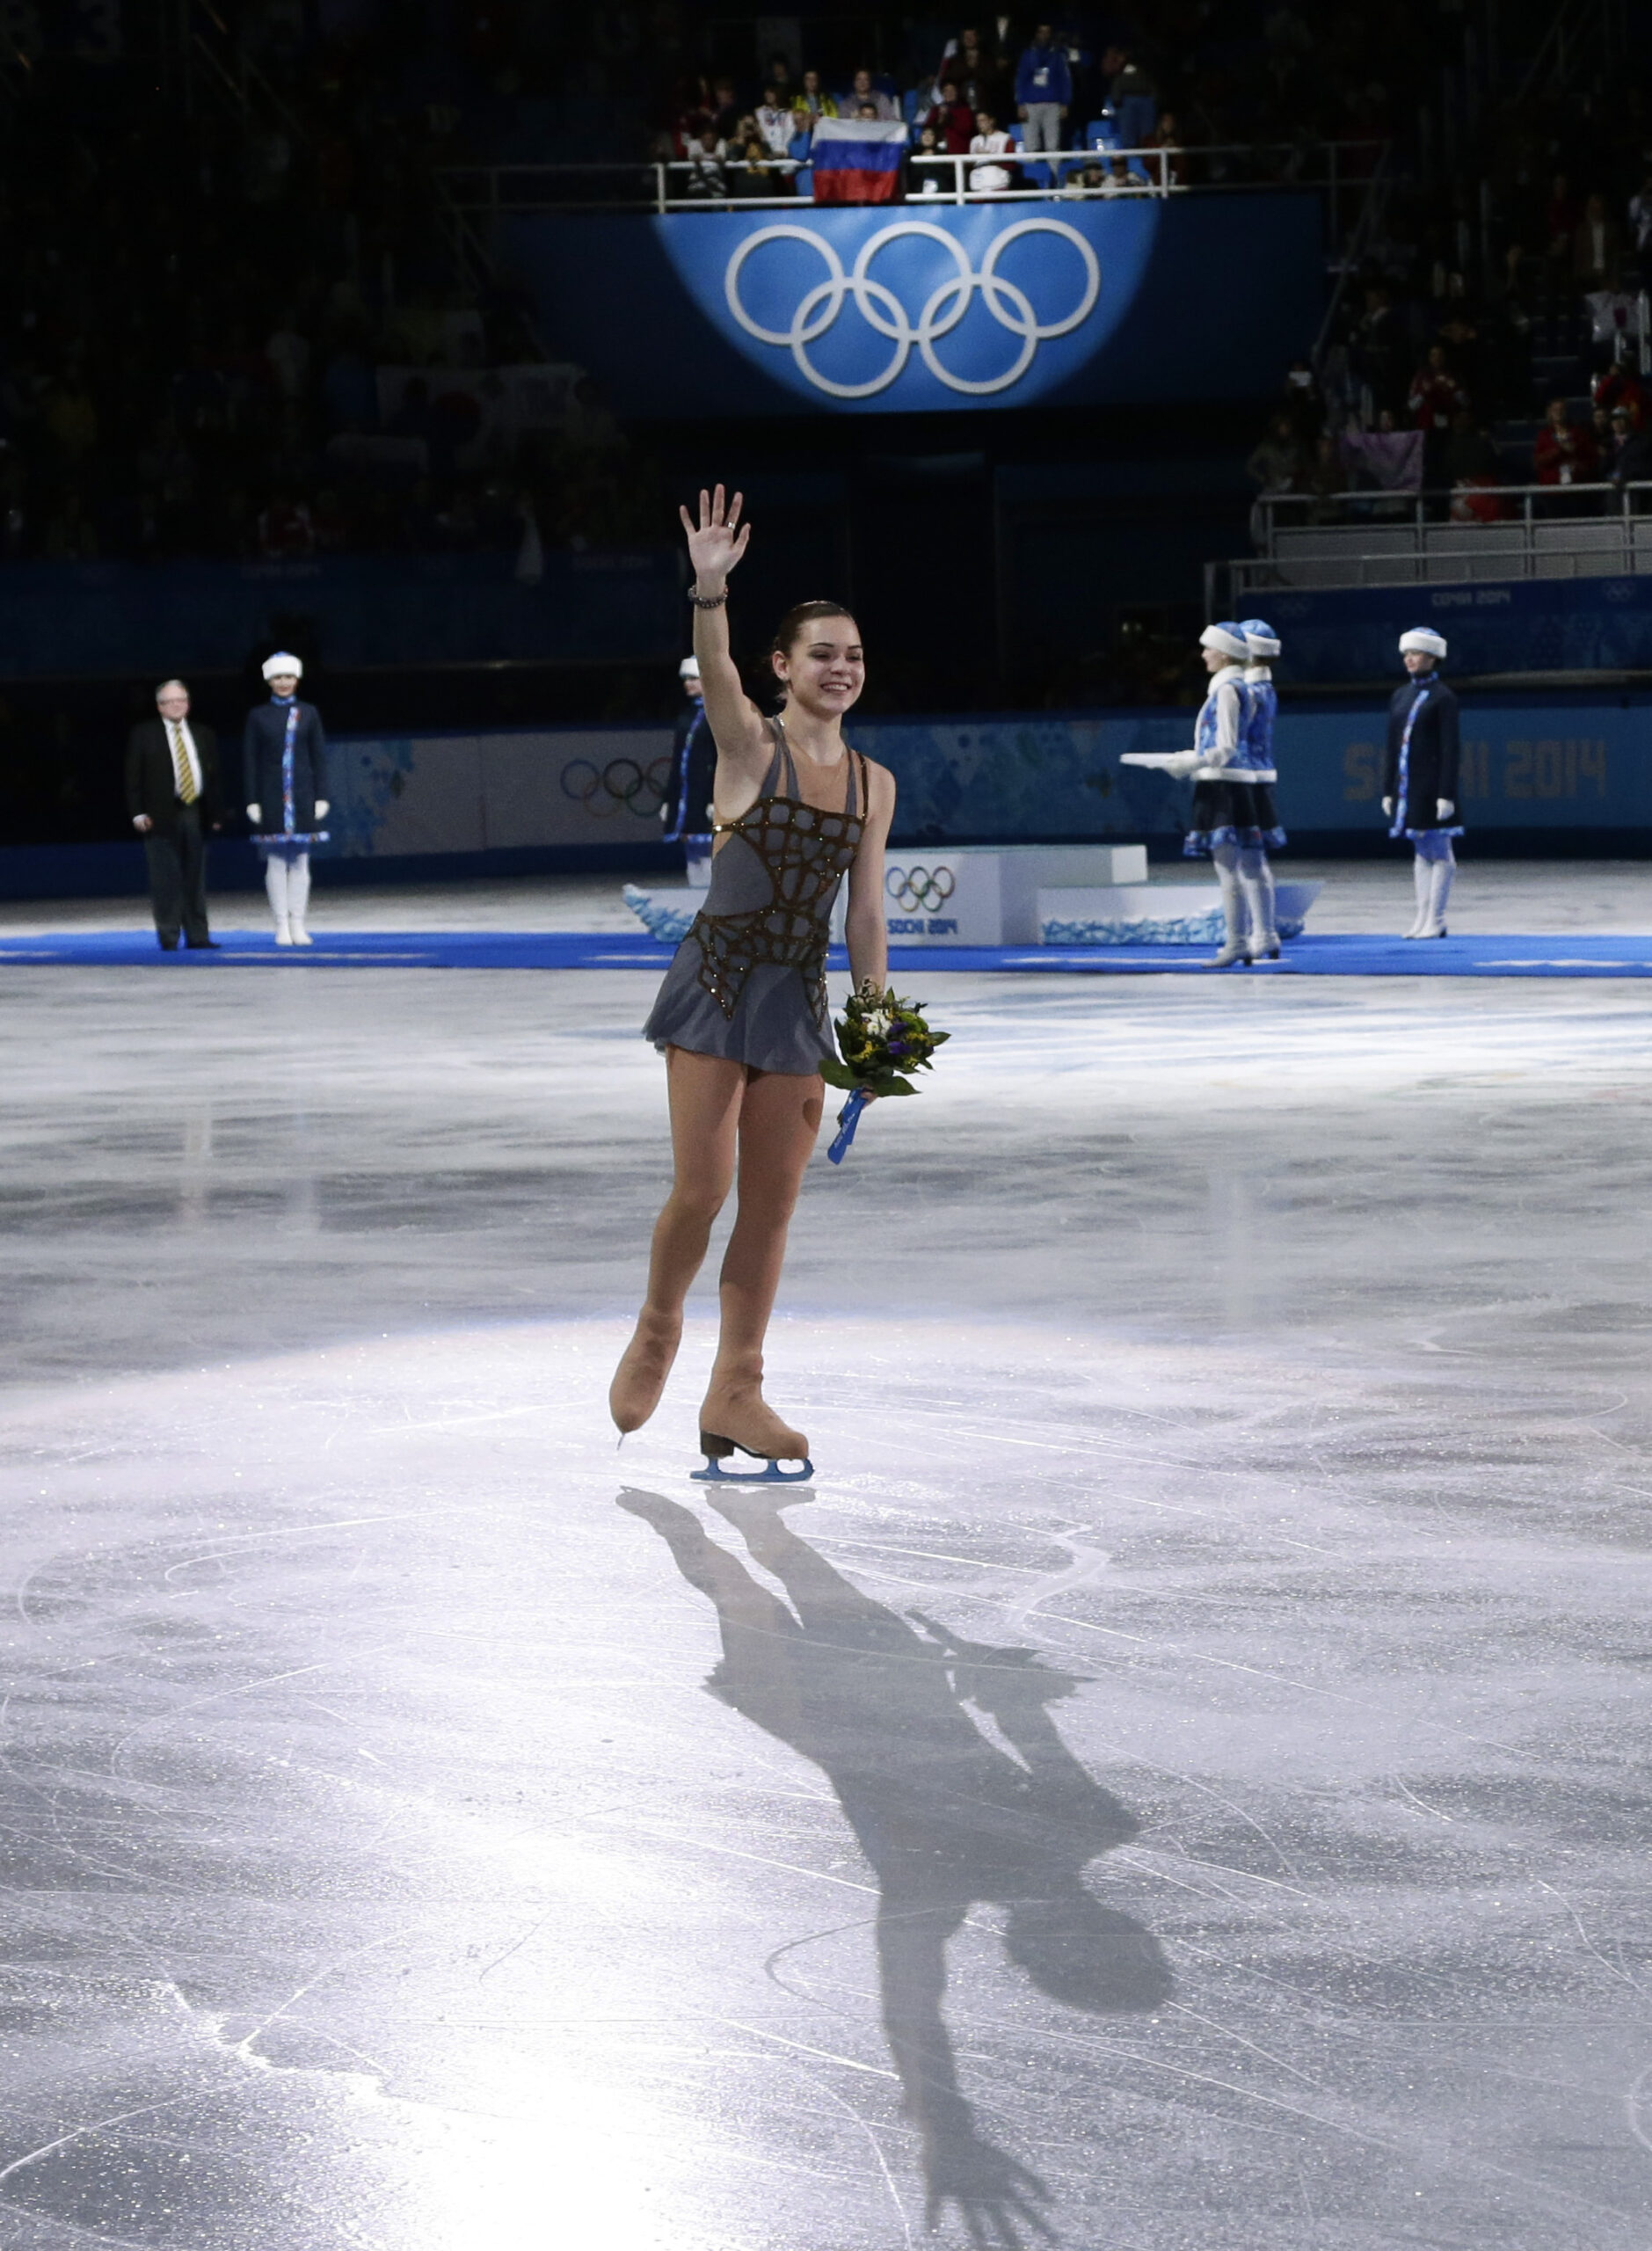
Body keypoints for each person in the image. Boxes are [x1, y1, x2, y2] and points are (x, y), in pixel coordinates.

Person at [609, 484, 896, 1471]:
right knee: (705, 1185)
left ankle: (737, 1388)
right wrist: (709, 590)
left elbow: (863, 911)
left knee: (773, 1203)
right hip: (718, 984)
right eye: (823, 653)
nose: (841, 668)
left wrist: (874, 1020)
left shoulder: (872, 784)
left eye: (853, 654)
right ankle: (657, 1329)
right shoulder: (747, 743)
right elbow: (718, 667)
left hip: (796, 1004)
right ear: (784, 666)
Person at [1168, 621, 1283, 967]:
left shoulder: (1230, 690)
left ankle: (1237, 940)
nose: (1203, 654)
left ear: (1224, 652)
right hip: (1236, 779)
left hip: (1226, 781)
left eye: (1208, 648)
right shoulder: (1236, 688)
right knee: (1249, 864)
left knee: (1232, 868)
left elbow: (1226, 746)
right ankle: (1260, 935)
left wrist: (1191, 762)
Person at [125, 677, 222, 951]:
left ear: (188, 704)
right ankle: (169, 936)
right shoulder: (144, 734)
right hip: (159, 814)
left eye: (181, 700)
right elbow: (133, 778)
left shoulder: (203, 733)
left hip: (195, 811)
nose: (176, 706)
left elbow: (213, 777)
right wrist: (137, 813)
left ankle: (198, 935)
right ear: (159, 706)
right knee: (165, 878)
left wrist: (215, 813)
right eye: (170, 701)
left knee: (195, 876)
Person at [244, 652, 330, 947]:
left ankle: (299, 922)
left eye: (289, 677)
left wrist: (321, 795)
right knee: (277, 861)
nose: (284, 683)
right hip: (271, 797)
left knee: (302, 861)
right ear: (270, 680)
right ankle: (280, 923)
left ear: (297, 679)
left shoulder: (309, 712)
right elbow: (250, 760)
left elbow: (319, 757)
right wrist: (253, 799)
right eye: (278, 678)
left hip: (303, 795)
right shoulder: (258, 715)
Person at [1382, 628, 1461, 940]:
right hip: (1407, 786)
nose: (1409, 659)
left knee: (1440, 851)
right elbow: (1391, 745)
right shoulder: (1400, 695)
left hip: (1431, 785)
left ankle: (1437, 917)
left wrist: (1446, 793)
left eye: (1415, 654)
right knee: (1420, 852)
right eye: (1406, 654)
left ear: (1432, 657)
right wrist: (1388, 788)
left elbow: (1450, 749)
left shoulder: (1444, 698)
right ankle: (1421, 915)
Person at [662, 652, 716, 857]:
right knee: (691, 846)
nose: (687, 683)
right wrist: (669, 799)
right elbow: (677, 762)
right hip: (687, 795)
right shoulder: (686, 717)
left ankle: (708, 889)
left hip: (705, 794)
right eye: (685, 679)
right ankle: (696, 887)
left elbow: (720, 760)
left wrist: (715, 798)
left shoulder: (717, 715)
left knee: (707, 848)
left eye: (693, 678)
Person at [1014, 23, 1071, 155]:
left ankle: (1054, 175)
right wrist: (1020, 103)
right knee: (1031, 145)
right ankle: (1032, 174)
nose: (1044, 35)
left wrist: (1065, 103)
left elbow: (1065, 80)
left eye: (1047, 32)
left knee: (1053, 146)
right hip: (1030, 104)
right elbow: (1020, 80)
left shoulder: (1057, 55)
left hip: (1052, 104)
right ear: (1036, 34)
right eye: (1041, 32)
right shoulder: (1028, 55)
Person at [968, 111, 1015, 194]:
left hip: (997, 183)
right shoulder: (974, 140)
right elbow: (970, 163)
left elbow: (1010, 164)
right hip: (978, 184)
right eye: (978, 121)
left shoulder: (1005, 138)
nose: (979, 124)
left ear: (991, 121)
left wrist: (989, 157)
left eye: (982, 120)